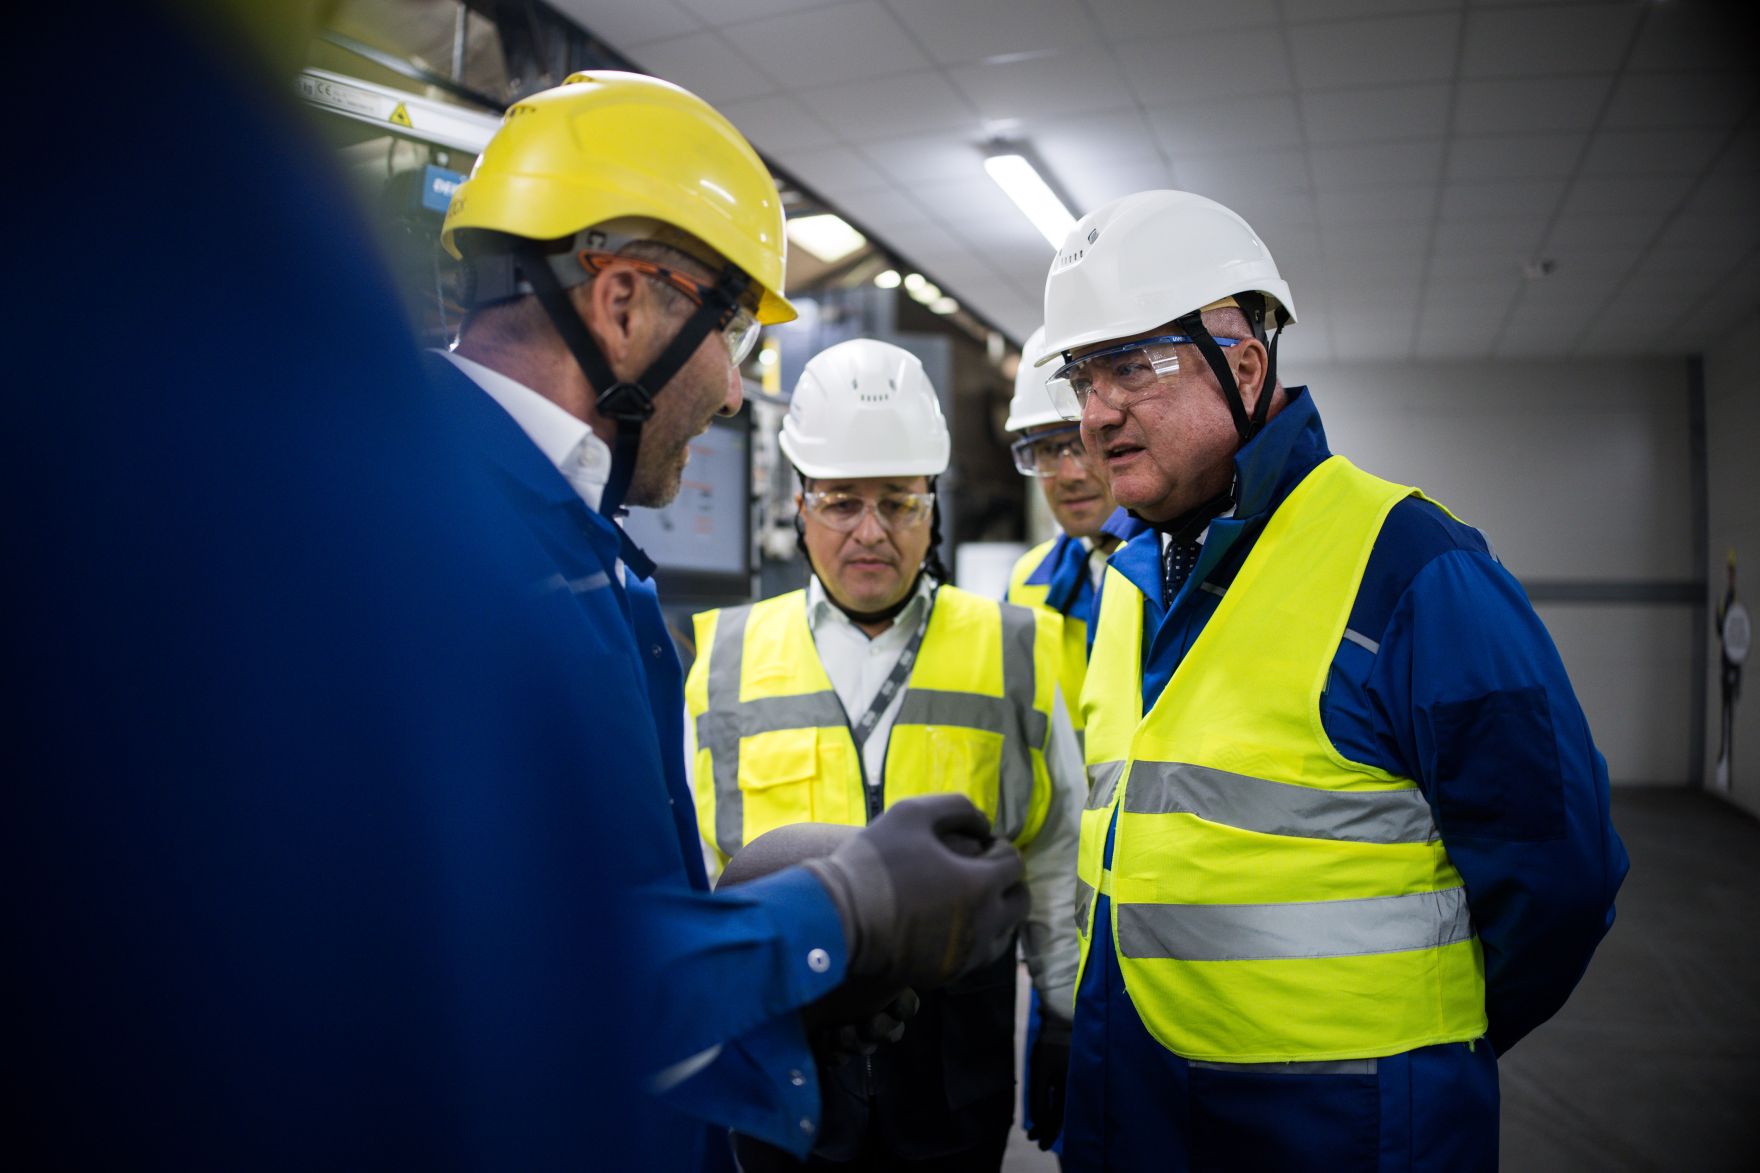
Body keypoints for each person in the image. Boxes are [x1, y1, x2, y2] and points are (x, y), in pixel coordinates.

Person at [430, 75, 1030, 1169]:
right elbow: (478, 981)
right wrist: (827, 917)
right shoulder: (425, 539)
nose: (737, 392)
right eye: (734, 336)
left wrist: (759, 980)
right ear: (622, 302)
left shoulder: (578, 542)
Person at [1032, 190, 1630, 1171]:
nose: (1095, 414)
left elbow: (1556, 877)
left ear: (1244, 363)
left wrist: (1419, 1049)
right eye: (1081, 375)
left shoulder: (1411, 566)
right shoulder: (1133, 580)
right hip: (1135, 1094)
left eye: (1130, 365)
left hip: (1342, 1123)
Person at [685, 339, 1084, 1171]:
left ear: (934, 506)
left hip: (955, 1051)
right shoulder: (723, 657)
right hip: (785, 1027)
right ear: (799, 505)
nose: (871, 532)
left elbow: (1053, 856)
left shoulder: (1016, 647)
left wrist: (1064, 1013)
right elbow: (697, 869)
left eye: (899, 502)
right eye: (840, 501)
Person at [1001, 325, 1120, 1154]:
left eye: (1078, 443)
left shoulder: (1186, 578)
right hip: (1065, 918)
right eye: (1044, 448)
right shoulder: (1028, 584)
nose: (1068, 473)